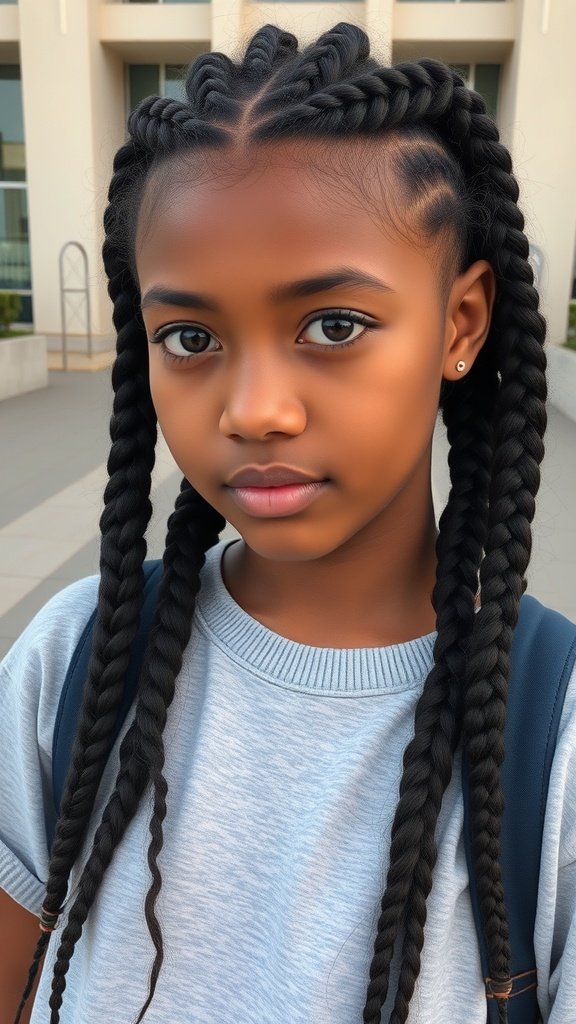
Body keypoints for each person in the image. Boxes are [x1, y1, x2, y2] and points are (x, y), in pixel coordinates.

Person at [1, 20, 574, 1024]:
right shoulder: (74, 662)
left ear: (460, 324)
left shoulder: (554, 735)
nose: (253, 408)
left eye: (333, 325)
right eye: (190, 335)